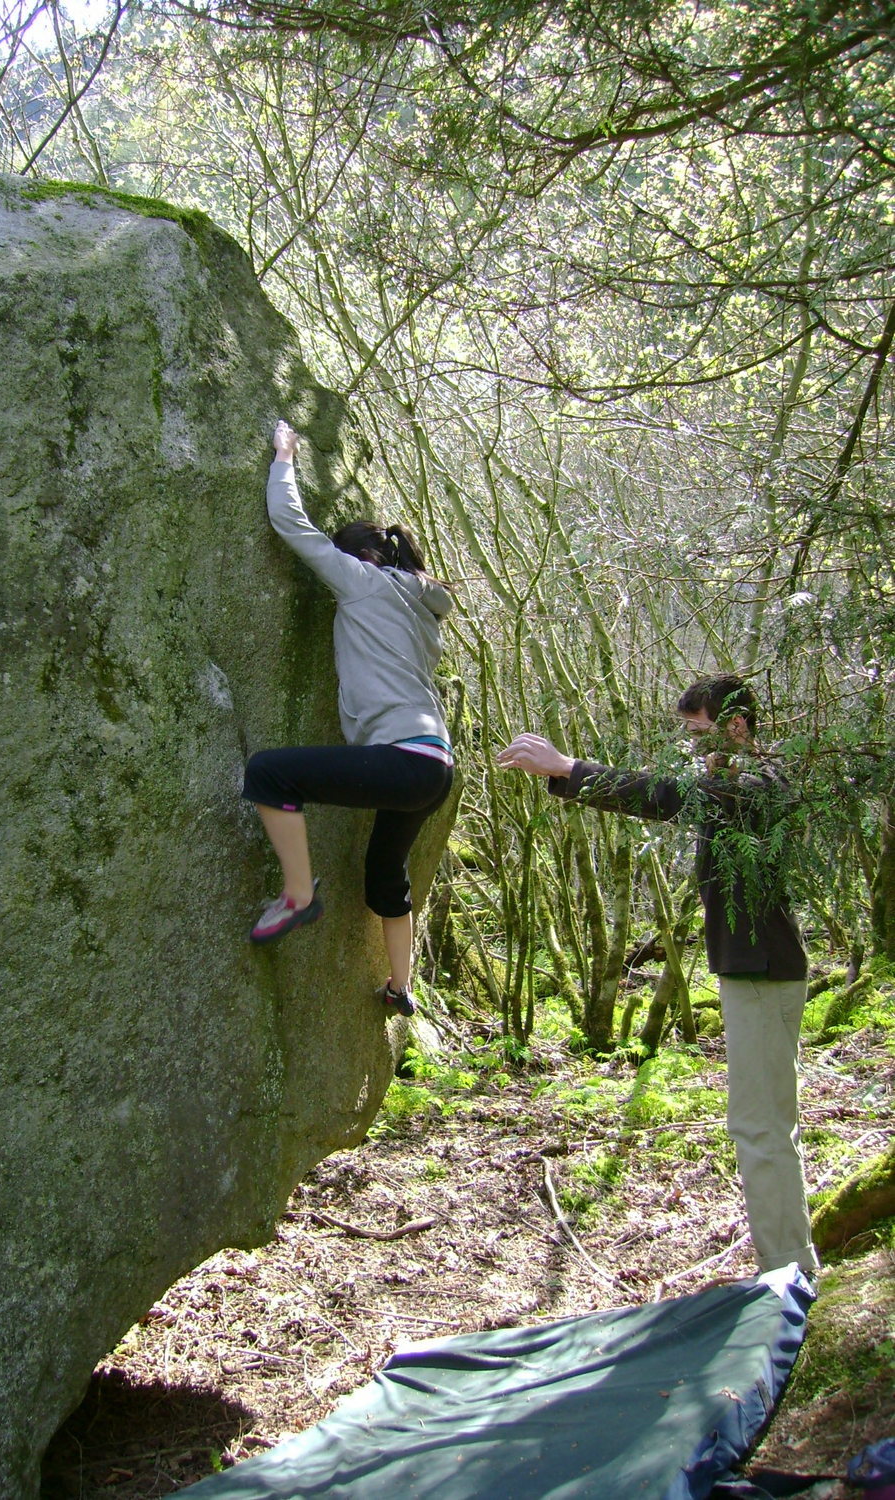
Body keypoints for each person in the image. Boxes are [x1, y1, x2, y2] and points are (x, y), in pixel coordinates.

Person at [496, 675, 818, 1276]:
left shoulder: (759, 784)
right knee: (761, 1125)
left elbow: (668, 796)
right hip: (753, 972)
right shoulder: (735, 784)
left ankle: (789, 1275)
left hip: (765, 973)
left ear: (736, 726)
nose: (691, 745)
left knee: (761, 1127)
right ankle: (789, 1265)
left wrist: (570, 768)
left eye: (698, 731)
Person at [242, 420, 454, 1018]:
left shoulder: (363, 582)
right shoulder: (423, 609)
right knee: (386, 873)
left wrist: (284, 457)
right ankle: (401, 988)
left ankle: (298, 896)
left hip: (402, 758)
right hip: (436, 766)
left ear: (359, 557)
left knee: (269, 774)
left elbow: (293, 526)